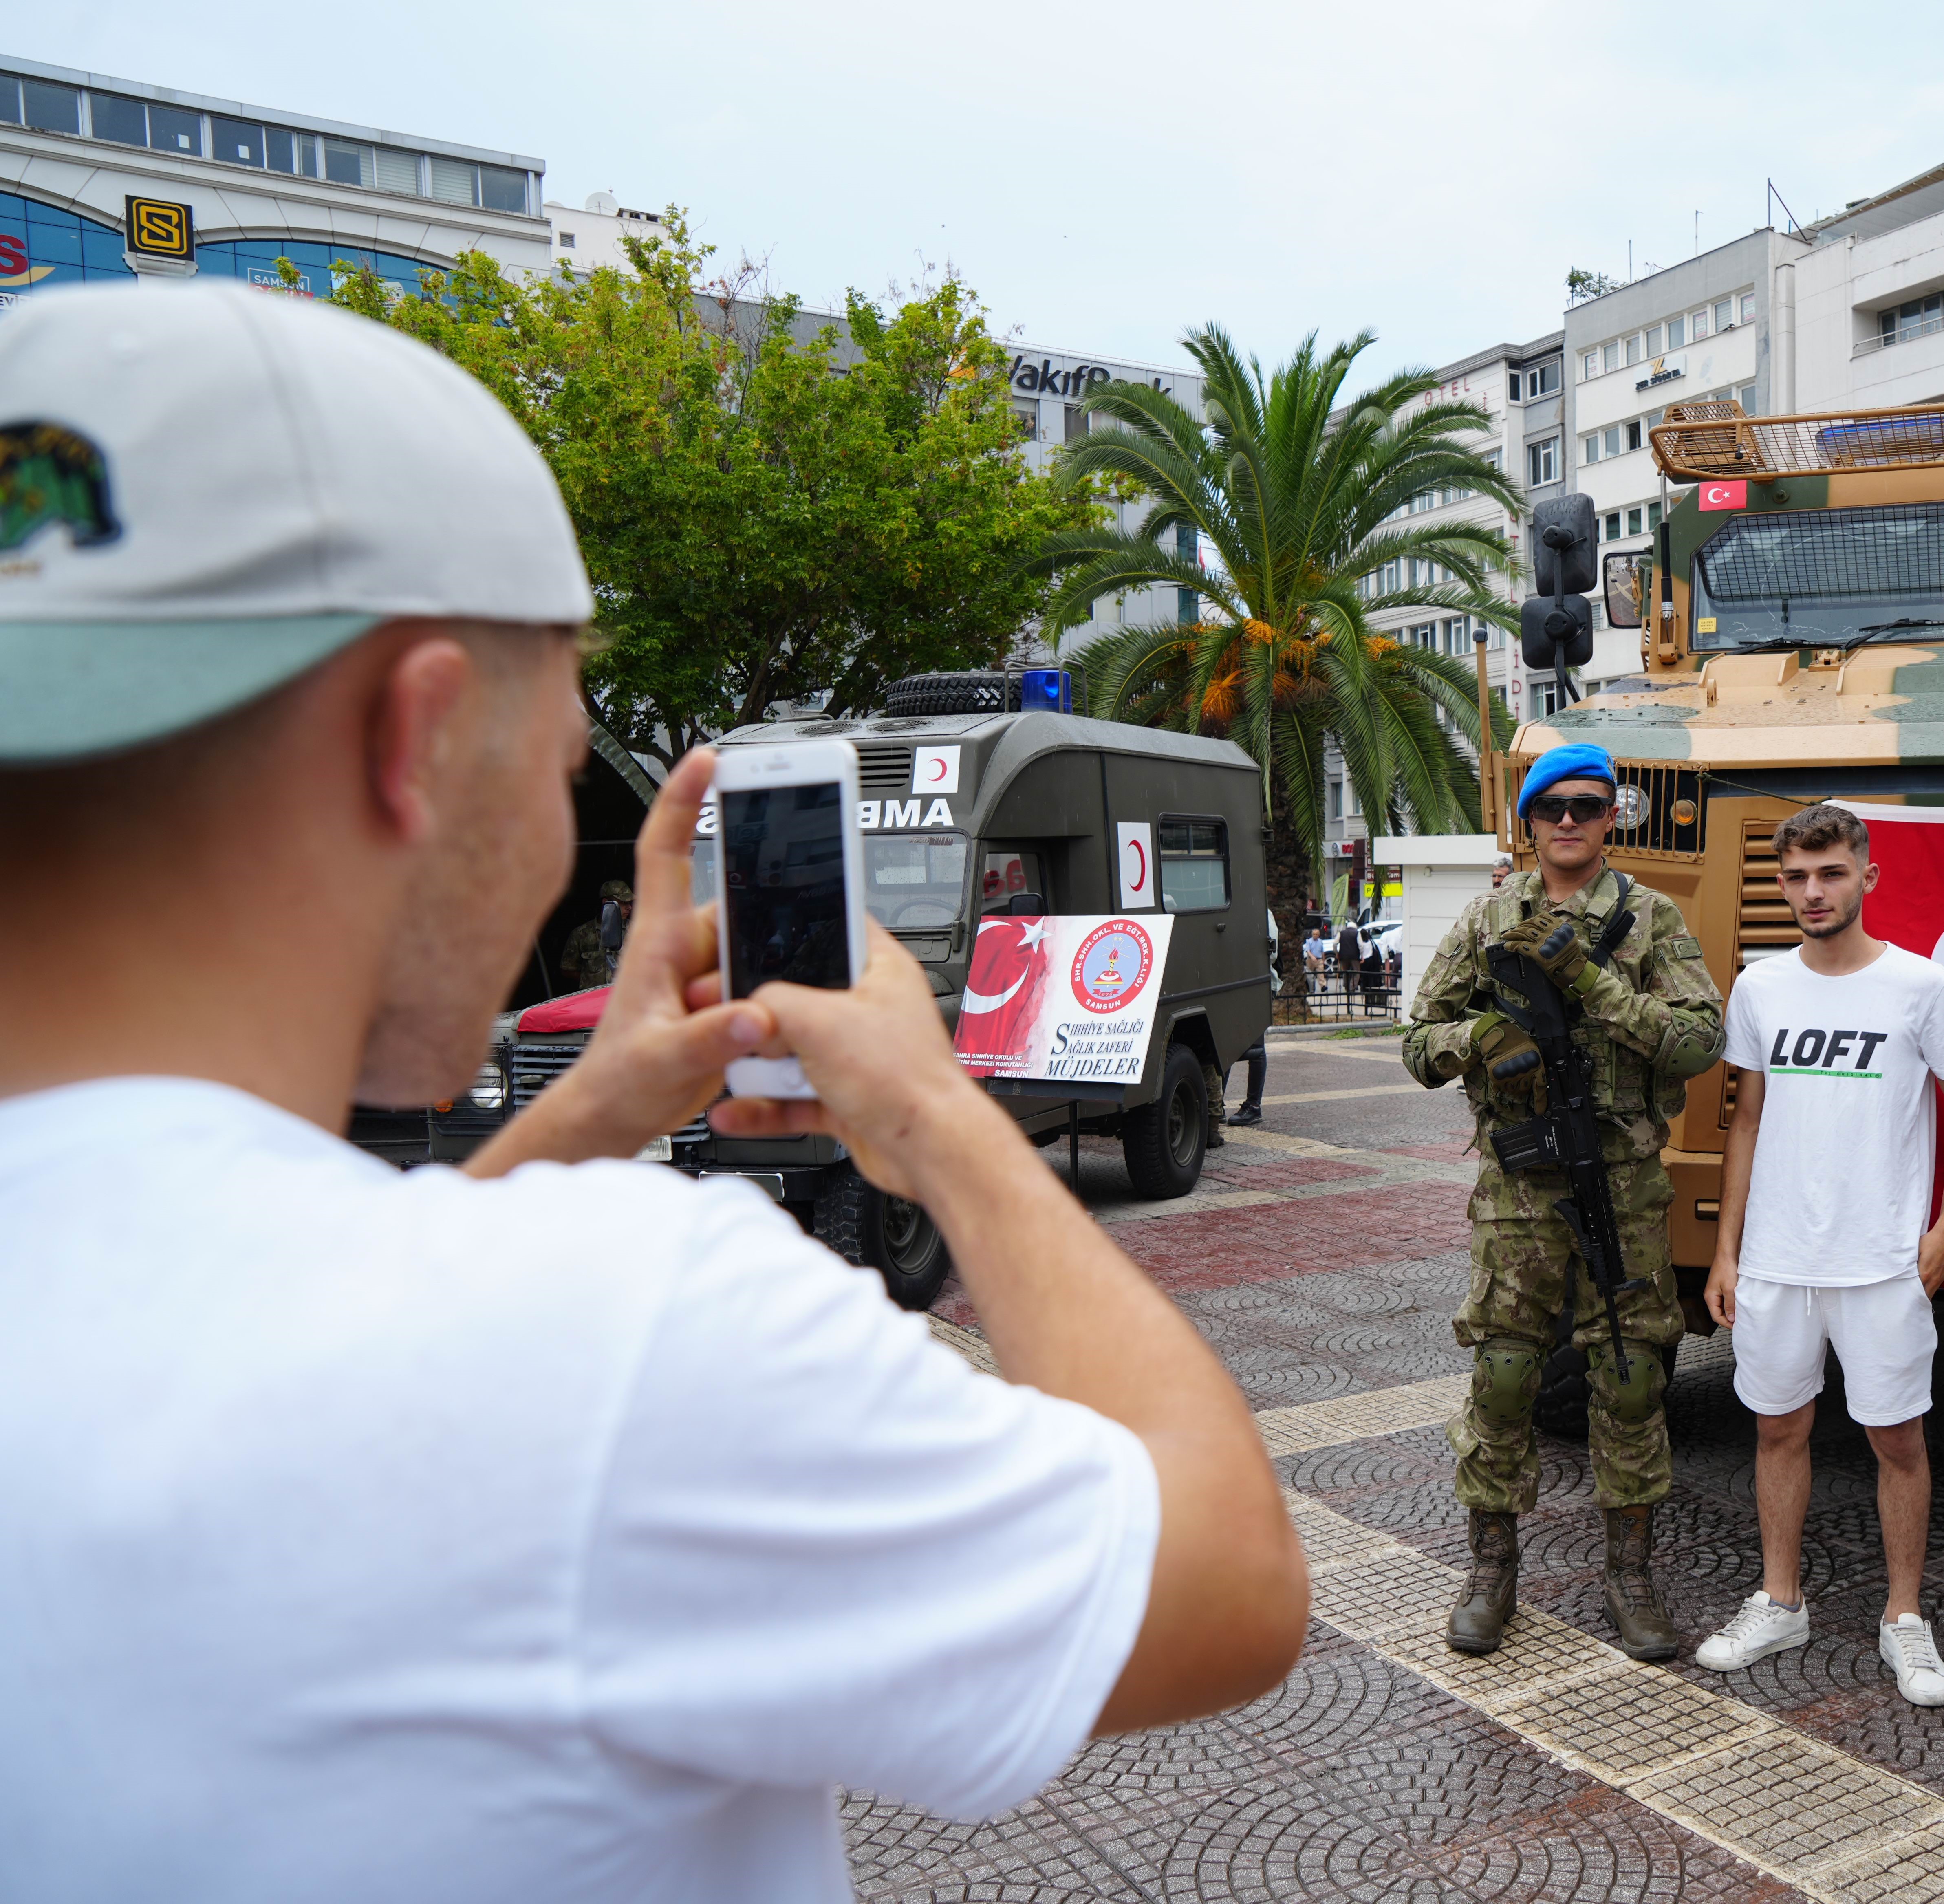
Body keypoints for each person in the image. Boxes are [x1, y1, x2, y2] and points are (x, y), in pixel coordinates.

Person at [0, 283, 1304, 1902]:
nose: (561, 841)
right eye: (560, 770)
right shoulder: (615, 1332)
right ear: (411, 738)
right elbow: (1226, 1581)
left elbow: (281, 1351)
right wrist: (942, 1117)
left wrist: (591, 1108)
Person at [1404, 743, 1724, 1660]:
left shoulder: (1650, 919)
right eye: (1553, 808)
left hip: (1621, 1181)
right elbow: (1419, 1039)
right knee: (1504, 1378)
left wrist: (1589, 981)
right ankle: (1491, 1570)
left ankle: (1630, 1573)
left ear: (1612, 818)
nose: (1571, 822)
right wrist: (1482, 1036)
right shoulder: (1487, 918)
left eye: (1588, 806)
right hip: (1517, 1188)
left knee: (1628, 1378)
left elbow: (1698, 1042)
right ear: (1529, 822)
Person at [1696, 802, 1944, 1707]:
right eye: (1796, 876)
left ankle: (1905, 1616)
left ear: (1867, 875)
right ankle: (1781, 1599)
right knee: (1777, 1428)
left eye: (1829, 872)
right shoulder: (1760, 986)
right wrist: (1725, 1249)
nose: (1812, 891)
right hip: (1779, 1260)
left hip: (1880, 1261)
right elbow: (1746, 1117)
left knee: (1896, 1438)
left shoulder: (1924, 987)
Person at [1226, 909, 1274, 1126]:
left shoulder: (1261, 910)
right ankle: (1215, 1105)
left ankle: (1253, 1106)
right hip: (1234, 984)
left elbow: (1271, 951)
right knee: (1223, 1045)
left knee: (1255, 1048)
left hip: (1255, 983)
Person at [559, 877, 634, 990]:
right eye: (623, 903)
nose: (629, 907)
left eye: (629, 902)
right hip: (593, 1000)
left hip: (626, 997)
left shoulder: (637, 932)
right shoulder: (581, 935)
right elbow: (568, 969)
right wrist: (591, 980)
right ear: (606, 903)